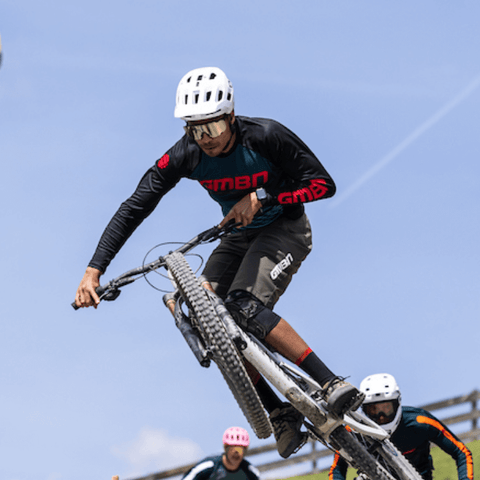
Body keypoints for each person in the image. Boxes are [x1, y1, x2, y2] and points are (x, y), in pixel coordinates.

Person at [74, 66, 363, 458]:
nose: (203, 140)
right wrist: (95, 269)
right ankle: (279, 414)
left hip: (285, 228)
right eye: (194, 130)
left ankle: (329, 383)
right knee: (200, 311)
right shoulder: (186, 154)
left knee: (244, 304)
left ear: (230, 117)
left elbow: (322, 184)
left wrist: (264, 195)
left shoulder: (266, 135)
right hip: (237, 236)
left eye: (210, 129)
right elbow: (135, 206)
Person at [329, 373, 474, 480]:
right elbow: (337, 468)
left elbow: (461, 452)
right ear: (363, 409)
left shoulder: (421, 422)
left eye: (386, 408)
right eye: (373, 409)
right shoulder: (353, 430)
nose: (381, 416)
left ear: (397, 403)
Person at [182, 427, 260, 480]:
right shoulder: (209, 466)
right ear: (225, 448)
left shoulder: (250, 472)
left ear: (245, 451)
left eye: (240, 449)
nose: (236, 453)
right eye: (232, 448)